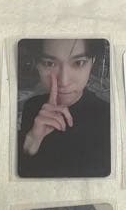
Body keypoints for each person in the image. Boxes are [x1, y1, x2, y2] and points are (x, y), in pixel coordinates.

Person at [17, 38, 110, 178]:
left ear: (93, 62)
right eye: (49, 63)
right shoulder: (33, 106)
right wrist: (31, 142)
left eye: (79, 63)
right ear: (37, 64)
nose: (64, 81)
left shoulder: (107, 117)